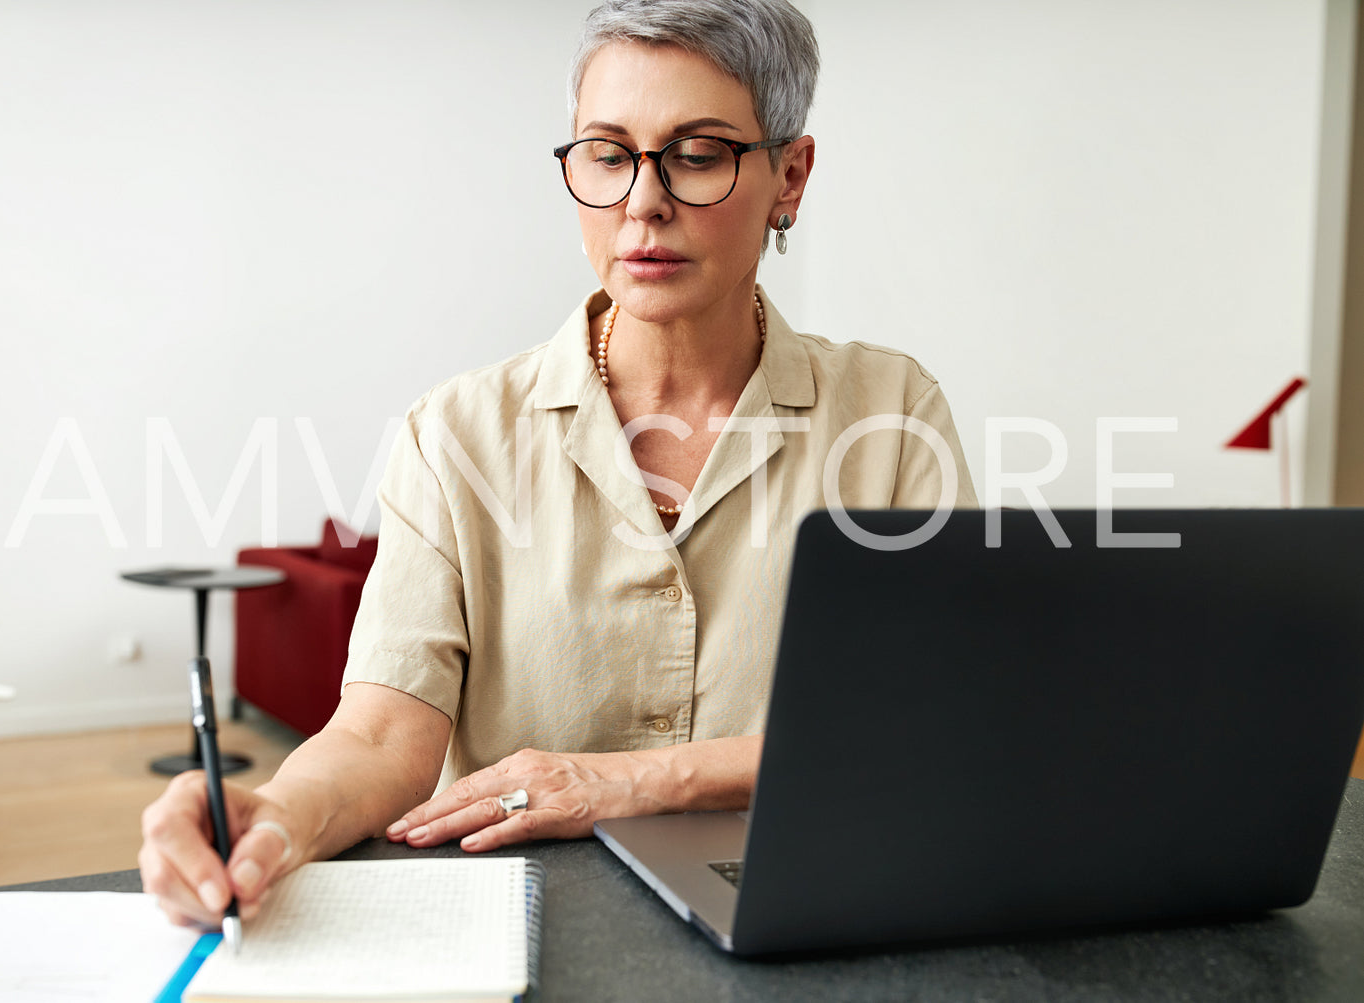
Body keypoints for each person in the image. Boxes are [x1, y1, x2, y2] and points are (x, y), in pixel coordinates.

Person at [140, 0, 978, 930]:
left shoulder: (891, 413)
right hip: (522, 926)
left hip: (809, 912)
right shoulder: (453, 431)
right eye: (608, 154)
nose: (643, 200)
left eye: (697, 153)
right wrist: (277, 817)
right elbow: (382, 731)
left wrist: (618, 782)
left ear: (790, 176)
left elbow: (932, 728)